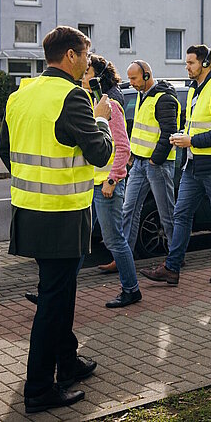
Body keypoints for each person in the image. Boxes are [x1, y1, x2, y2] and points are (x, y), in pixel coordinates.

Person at [0, 26, 113, 414]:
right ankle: (38, 389)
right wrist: (101, 121)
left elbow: (4, 149)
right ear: (70, 56)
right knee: (54, 301)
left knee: (59, 292)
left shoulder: (22, 92)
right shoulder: (74, 97)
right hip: (62, 215)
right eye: (86, 53)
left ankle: (68, 362)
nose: (88, 61)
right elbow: (100, 154)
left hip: (29, 213)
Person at [140, 45, 211, 286]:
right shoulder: (195, 91)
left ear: (206, 64)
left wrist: (191, 140)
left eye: (191, 63)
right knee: (181, 214)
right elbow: (196, 125)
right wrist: (183, 136)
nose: (187, 66)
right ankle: (172, 268)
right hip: (193, 166)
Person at [82, 55, 141, 308]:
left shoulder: (110, 107)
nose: (82, 76)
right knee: (80, 239)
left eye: (87, 73)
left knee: (114, 239)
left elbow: (123, 149)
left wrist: (113, 180)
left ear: (98, 78)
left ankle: (131, 289)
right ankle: (54, 290)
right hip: (87, 185)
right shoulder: (88, 105)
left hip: (105, 186)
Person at [120, 60, 179, 269]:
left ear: (146, 75)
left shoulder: (164, 98)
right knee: (129, 209)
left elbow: (169, 132)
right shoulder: (142, 95)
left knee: (167, 213)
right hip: (139, 163)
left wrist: (155, 159)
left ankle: (175, 259)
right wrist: (133, 154)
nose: (131, 83)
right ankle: (123, 257)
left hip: (157, 165)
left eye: (134, 78)